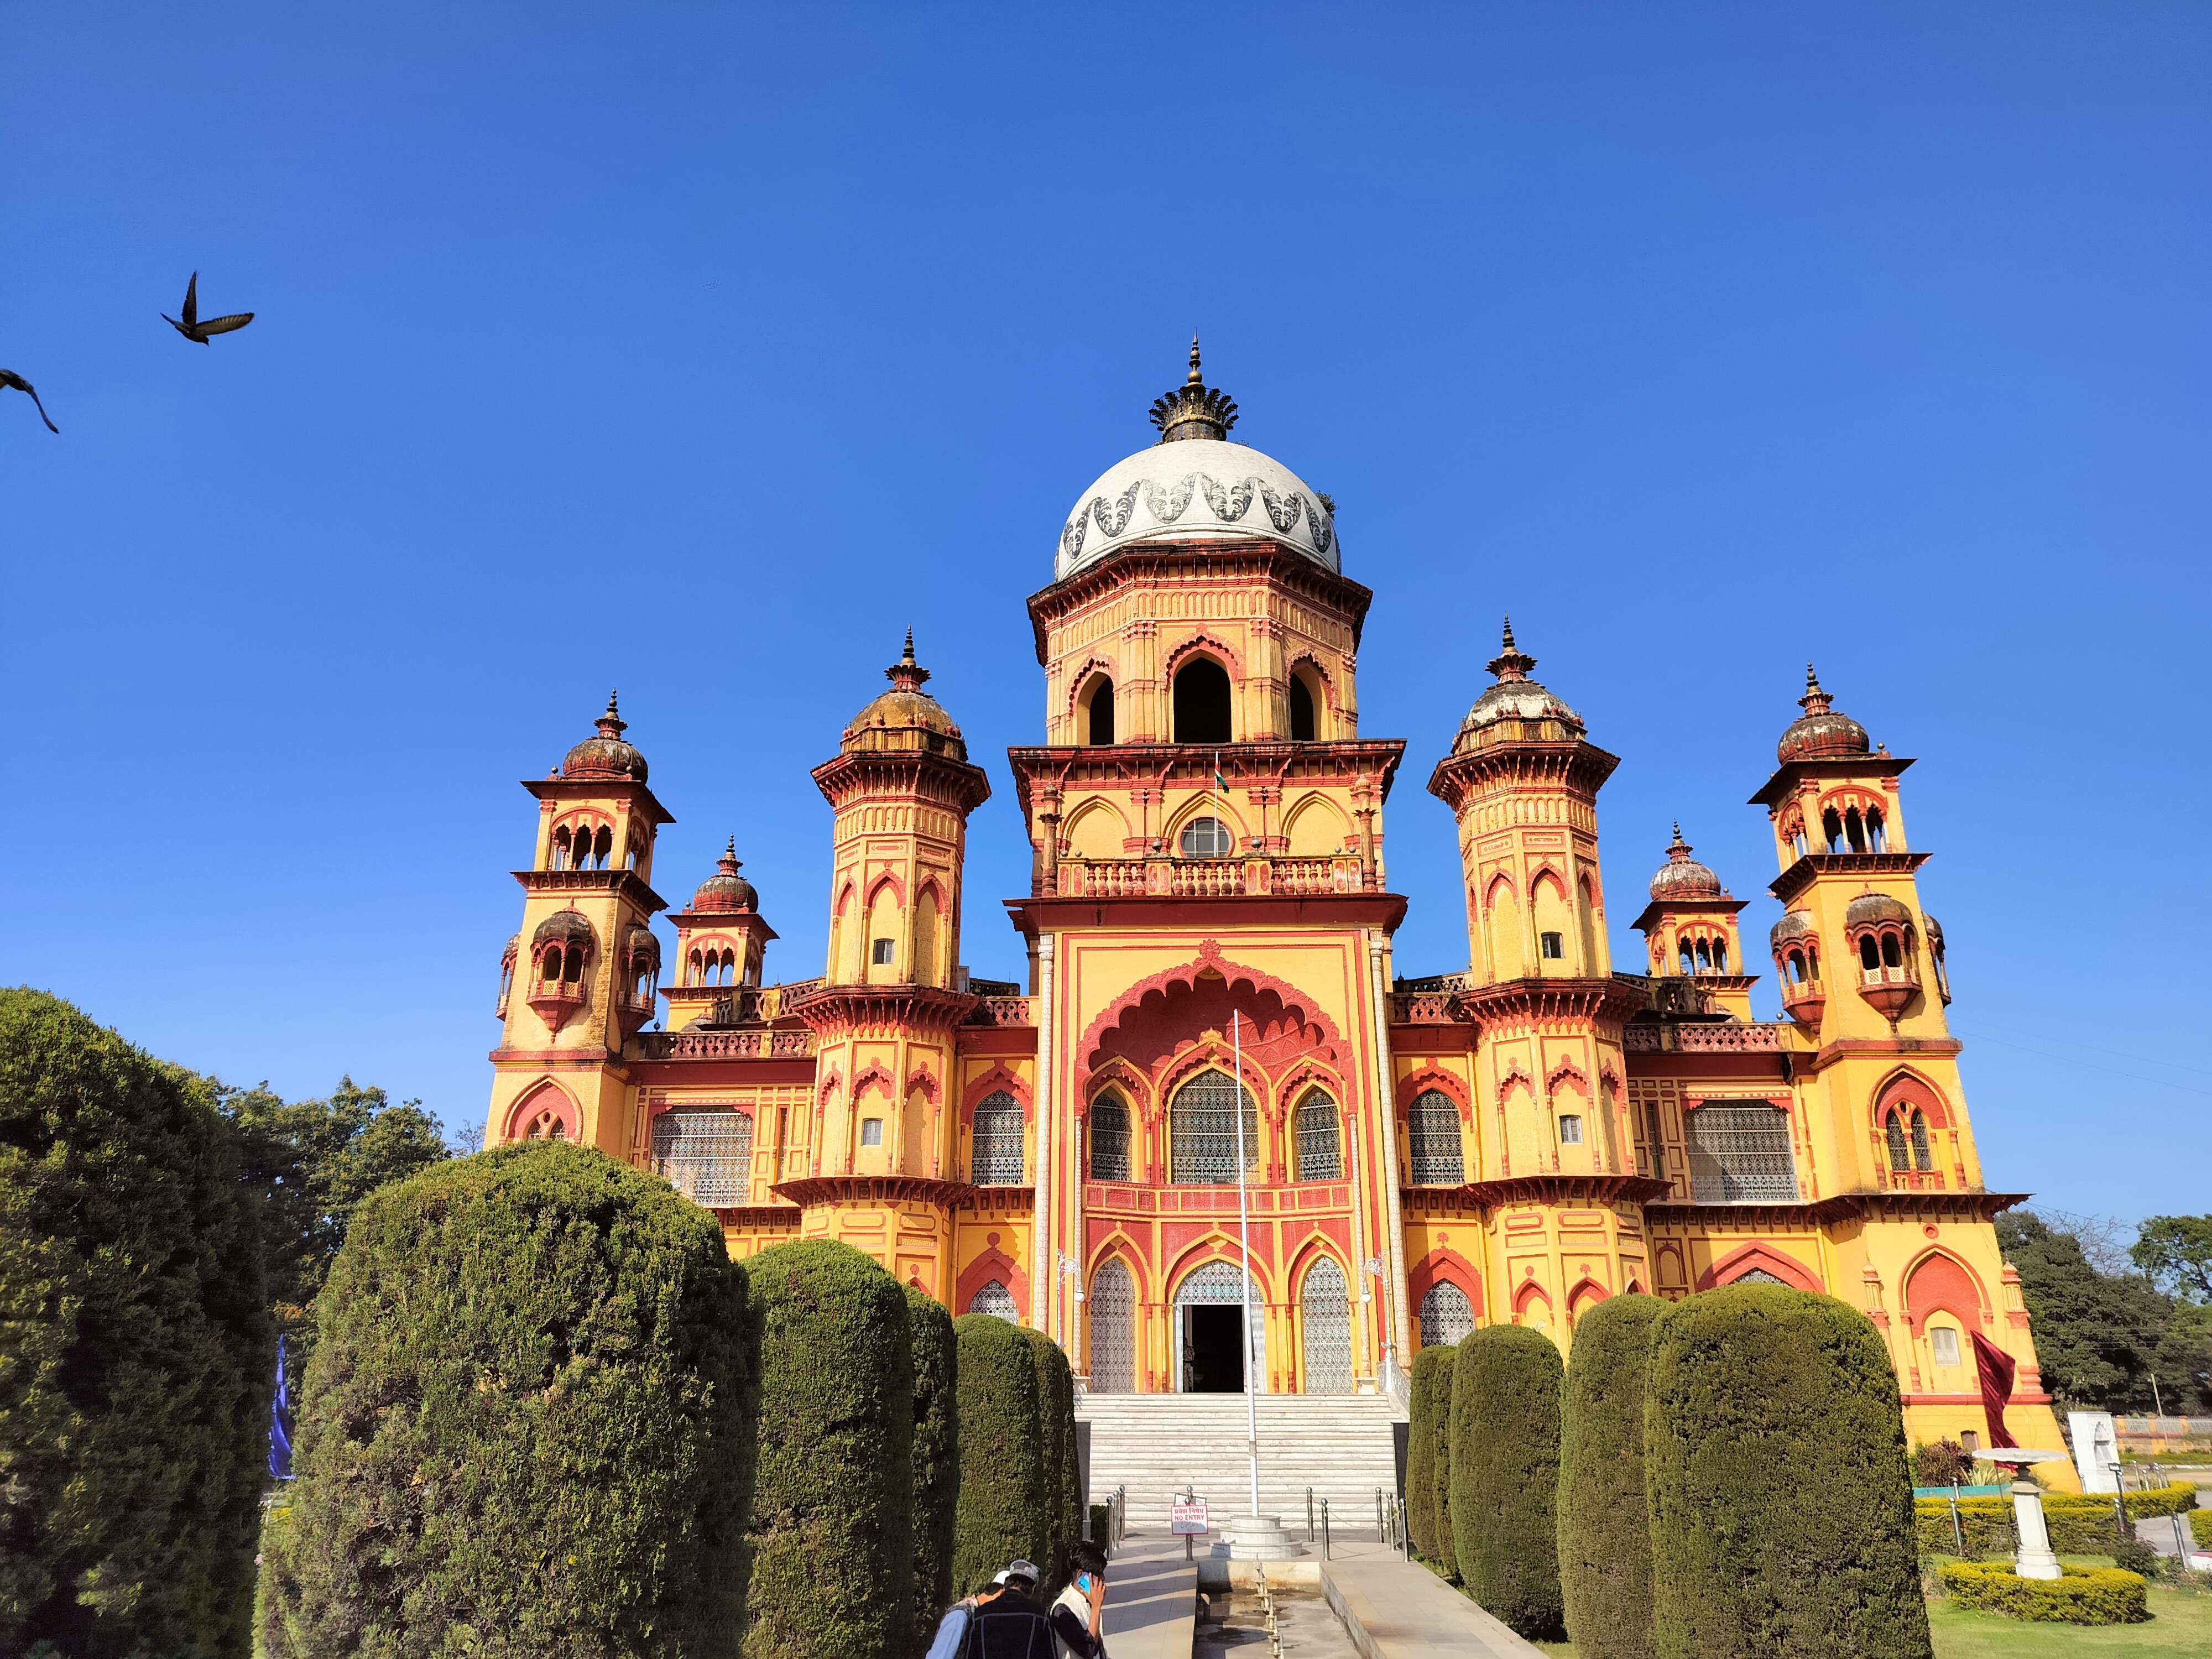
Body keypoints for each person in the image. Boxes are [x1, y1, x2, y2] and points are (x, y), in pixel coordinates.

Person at [924, 1559, 1055, 1658]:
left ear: (1008, 1583)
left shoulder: (980, 1614)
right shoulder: (1041, 1616)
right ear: (1032, 1588)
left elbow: (971, 1654)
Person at [1048, 1540, 1109, 1658]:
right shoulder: (1063, 1609)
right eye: (1098, 1574)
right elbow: (1088, 1650)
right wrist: (1096, 1607)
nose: (1103, 1578)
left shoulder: (1088, 1601)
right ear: (1081, 1575)